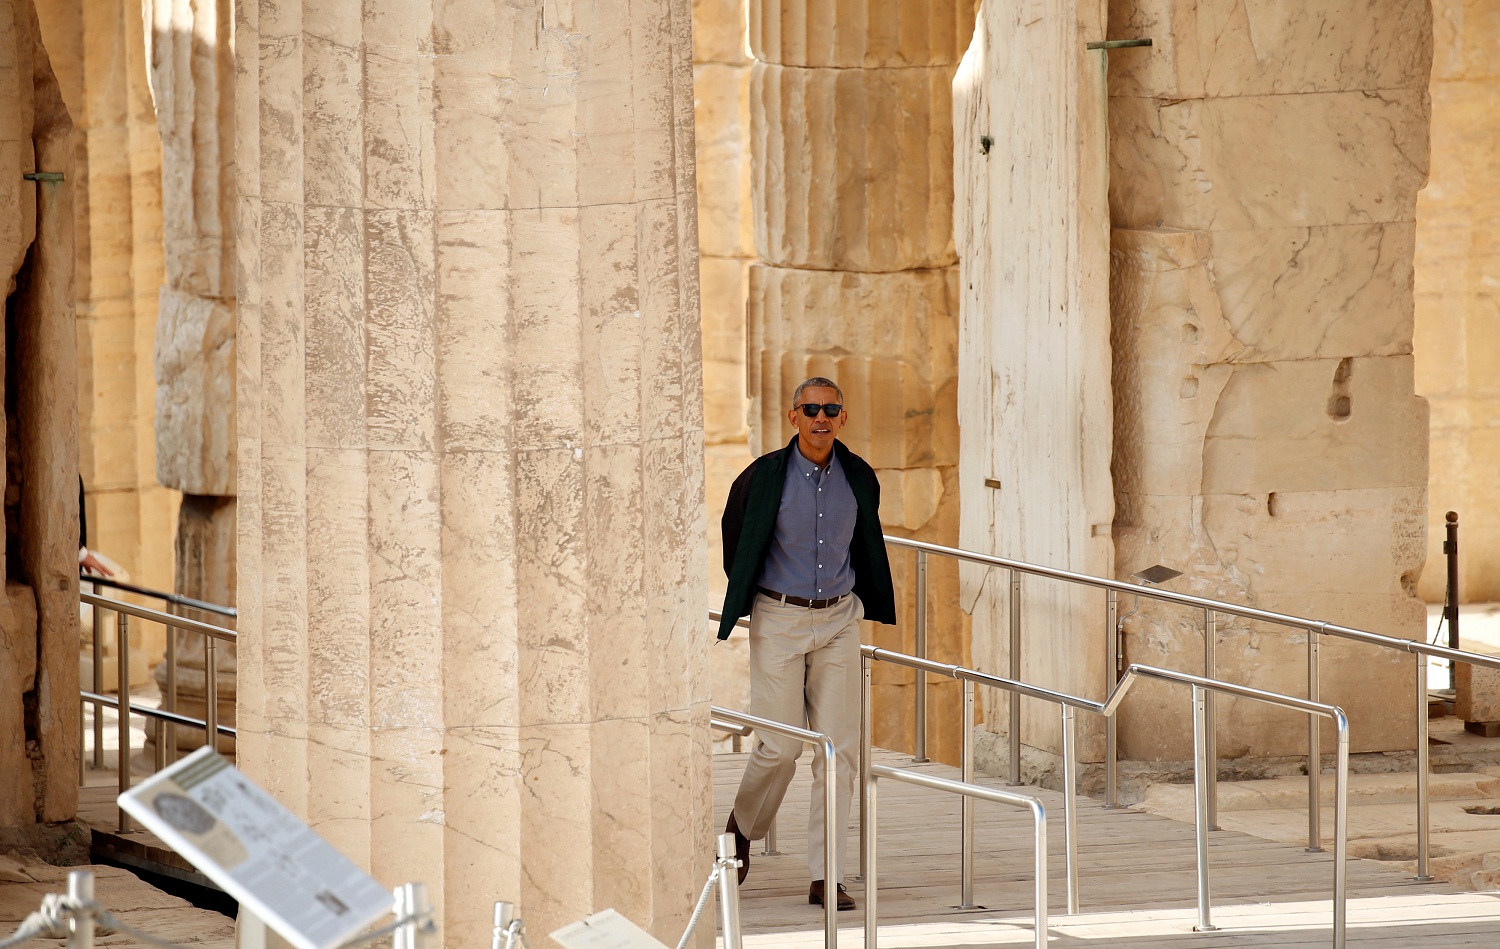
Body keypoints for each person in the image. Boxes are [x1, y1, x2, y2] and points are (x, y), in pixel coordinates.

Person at [717, 377, 895, 910]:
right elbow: (736, 536)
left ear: (843, 418)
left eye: (831, 409)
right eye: (810, 409)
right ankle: (740, 828)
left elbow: (866, 542)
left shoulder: (859, 476)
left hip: (839, 619)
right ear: (793, 416)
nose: (821, 417)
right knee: (782, 746)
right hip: (779, 617)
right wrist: (755, 587)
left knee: (838, 752)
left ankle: (827, 875)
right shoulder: (762, 476)